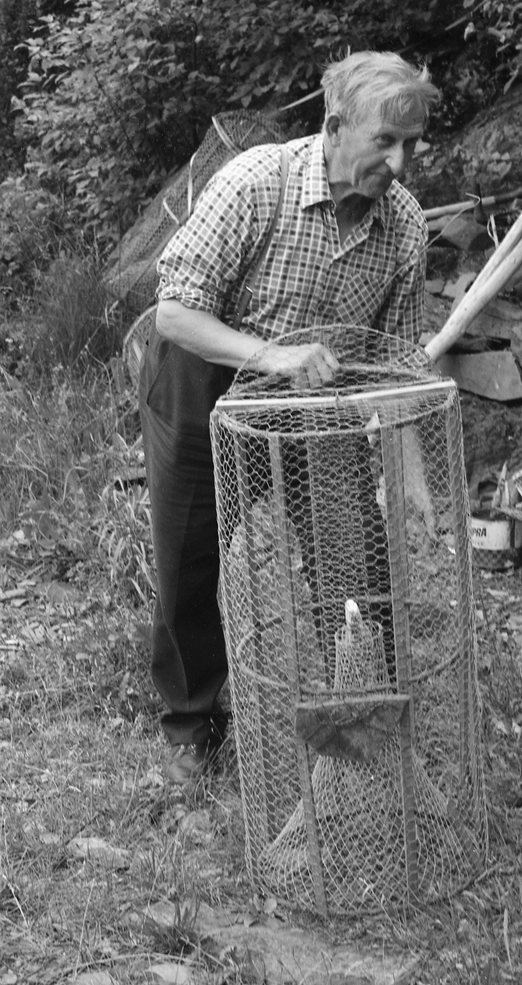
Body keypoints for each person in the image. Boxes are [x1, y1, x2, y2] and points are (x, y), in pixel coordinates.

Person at [138, 50, 440, 785]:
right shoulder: (255, 184)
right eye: (385, 142)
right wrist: (270, 354)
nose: (401, 163)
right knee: (190, 557)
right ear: (335, 128)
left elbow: (395, 367)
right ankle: (191, 727)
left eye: (413, 144)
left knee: (354, 549)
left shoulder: (402, 228)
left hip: (314, 396)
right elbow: (174, 312)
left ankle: (367, 723)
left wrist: (409, 477)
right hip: (203, 376)